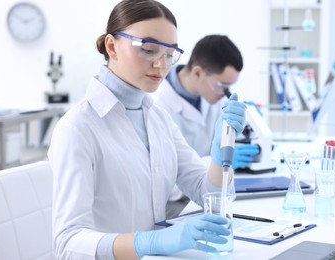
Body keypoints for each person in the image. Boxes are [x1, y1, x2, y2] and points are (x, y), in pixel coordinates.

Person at [48, 1, 246, 259]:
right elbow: (67, 243)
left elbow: (208, 194)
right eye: (149, 49)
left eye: (169, 54)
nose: (161, 65)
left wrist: (221, 155)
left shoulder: (158, 119)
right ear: (111, 46)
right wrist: (147, 243)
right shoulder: (77, 128)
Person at [153, 35, 260, 212]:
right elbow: (166, 182)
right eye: (222, 86)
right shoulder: (157, 105)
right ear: (197, 72)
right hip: (174, 209)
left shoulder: (212, 96)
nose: (224, 93)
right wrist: (215, 163)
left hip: (207, 197)